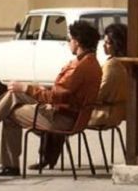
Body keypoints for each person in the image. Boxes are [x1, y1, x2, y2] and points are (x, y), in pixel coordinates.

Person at [0, 20, 102, 177]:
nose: (68, 43)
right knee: (14, 94)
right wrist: (28, 89)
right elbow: (64, 92)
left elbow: (55, 96)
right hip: (70, 113)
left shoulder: (79, 68)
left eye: (69, 40)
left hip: (61, 117)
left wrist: (27, 88)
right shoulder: (91, 63)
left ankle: (9, 164)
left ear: (77, 41)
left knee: (9, 113)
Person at [32, 22, 131, 171]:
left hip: (102, 112)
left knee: (61, 113)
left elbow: (99, 93)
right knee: (58, 110)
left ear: (117, 44)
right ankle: (48, 156)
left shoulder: (112, 65)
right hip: (116, 110)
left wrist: (79, 96)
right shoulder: (126, 62)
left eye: (107, 43)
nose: (104, 47)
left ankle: (47, 157)